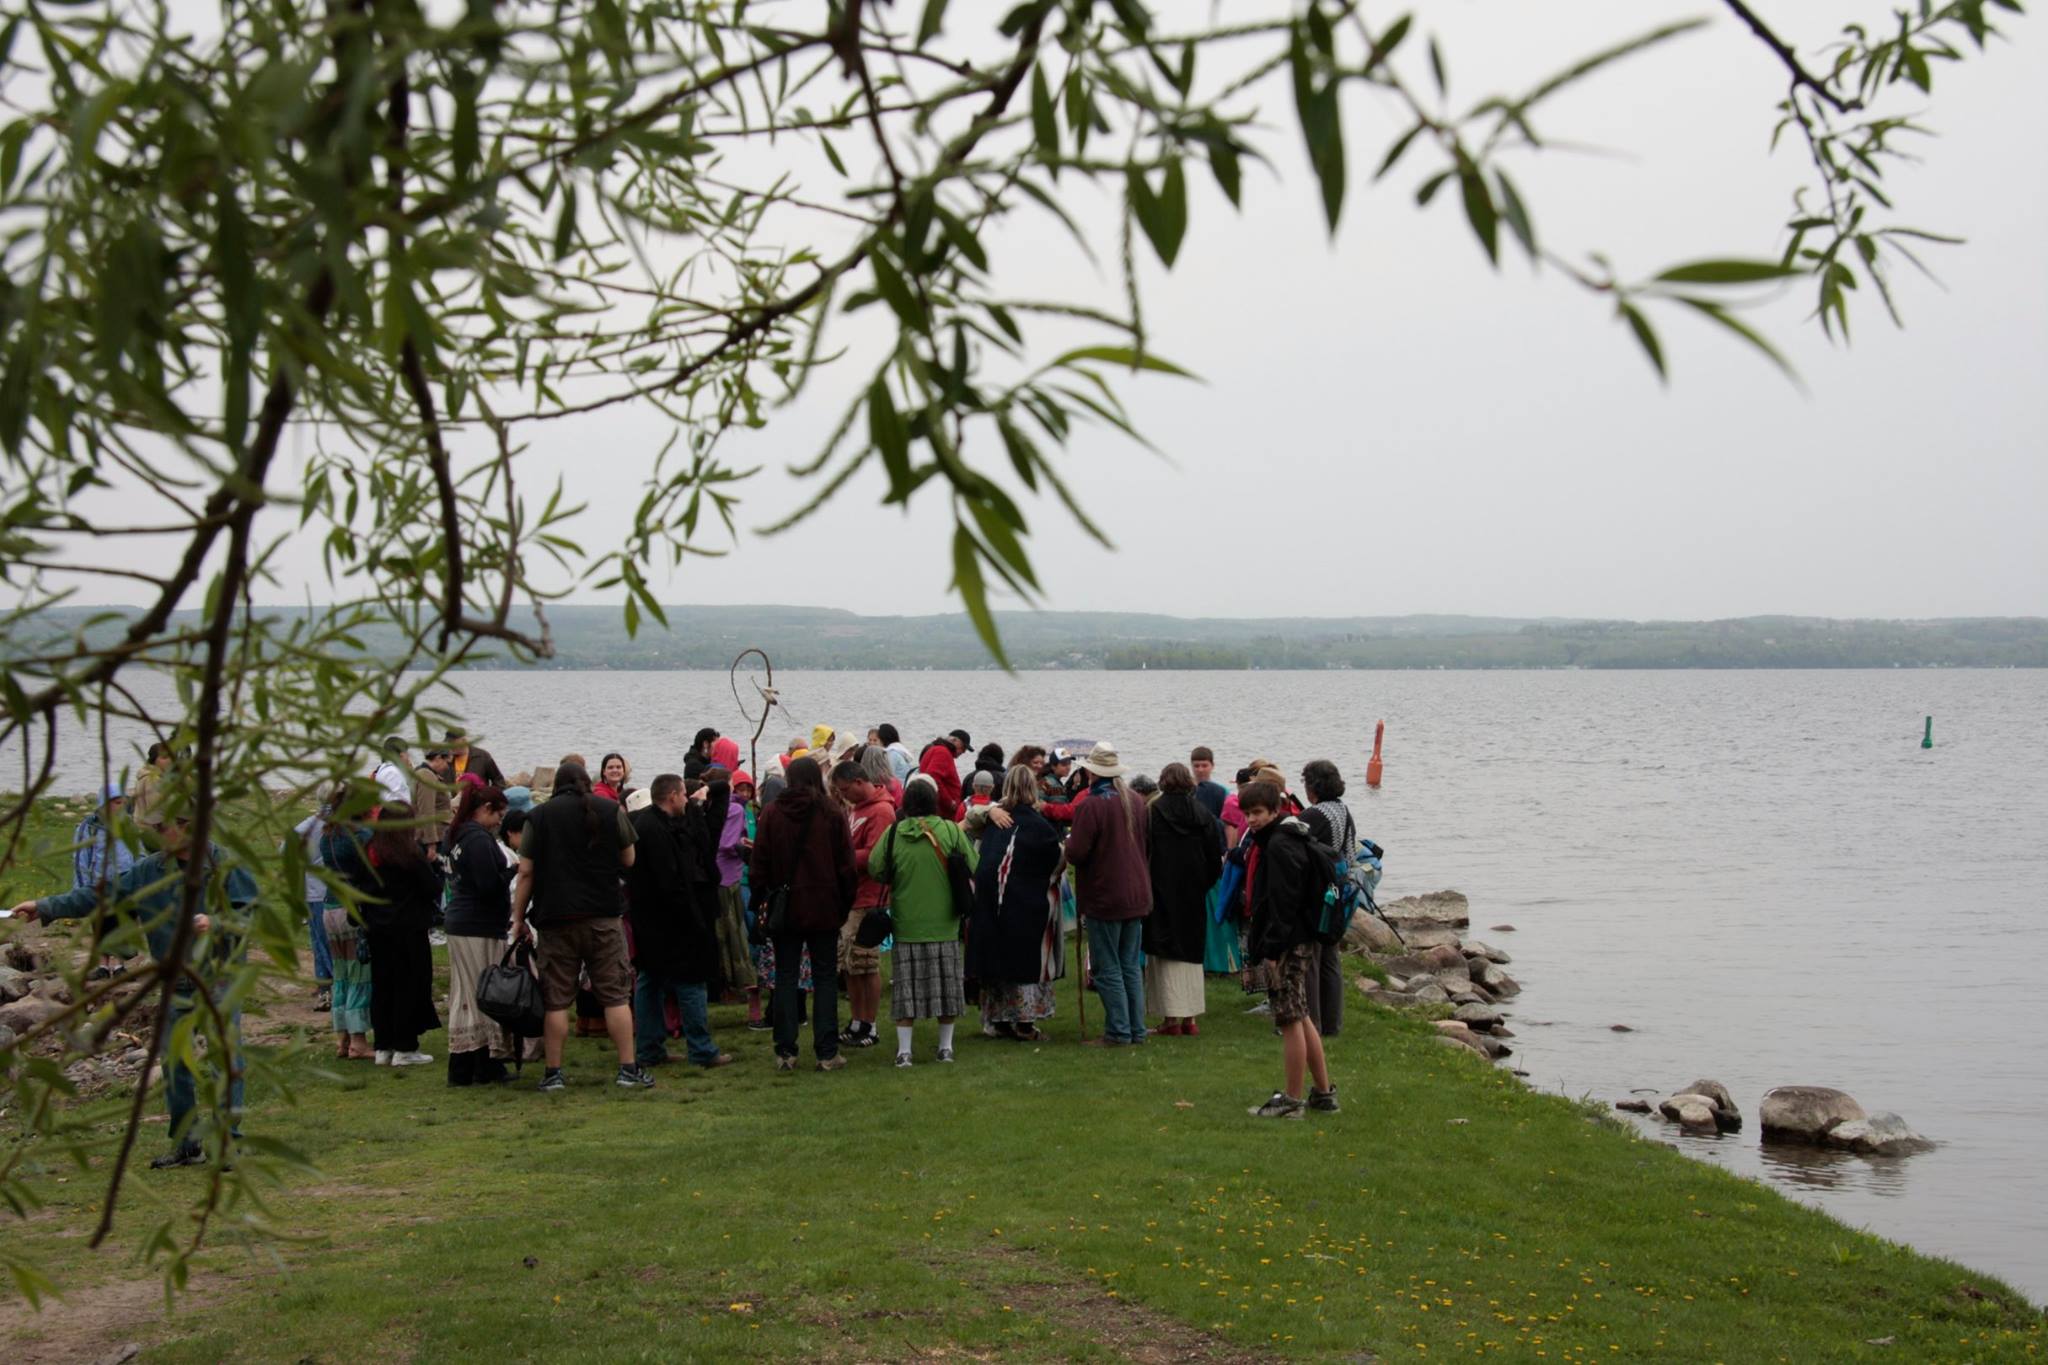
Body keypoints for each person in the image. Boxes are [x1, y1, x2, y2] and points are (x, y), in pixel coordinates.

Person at [12, 812, 258, 1168]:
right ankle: (187, 1145)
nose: (159, 834)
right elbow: (101, 895)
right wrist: (45, 906)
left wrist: (215, 922)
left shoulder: (224, 864)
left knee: (225, 1063)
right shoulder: (149, 870)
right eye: (155, 829)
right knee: (174, 1065)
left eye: (165, 827)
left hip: (219, 978)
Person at [510, 760, 651, 1092]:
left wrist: (518, 918)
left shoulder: (539, 817)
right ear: (587, 782)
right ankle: (628, 1069)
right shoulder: (608, 809)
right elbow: (629, 858)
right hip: (603, 915)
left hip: (555, 917)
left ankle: (554, 1073)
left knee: (556, 999)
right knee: (616, 995)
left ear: (556, 785)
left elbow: (526, 871)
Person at [749, 756, 855, 1071]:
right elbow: (847, 867)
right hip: (824, 906)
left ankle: (785, 1051)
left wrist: (762, 899)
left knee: (786, 978)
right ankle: (826, 1051)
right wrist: (842, 905)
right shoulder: (832, 813)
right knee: (824, 978)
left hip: (786, 907)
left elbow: (759, 864)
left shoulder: (772, 813)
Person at [1239, 781, 1338, 1119]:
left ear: (1274, 811)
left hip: (1290, 942)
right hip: (1302, 938)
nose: (1252, 820)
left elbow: (1284, 902)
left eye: (1258, 813)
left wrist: (1272, 948)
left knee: (1290, 1018)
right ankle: (1323, 1094)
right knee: (1301, 1013)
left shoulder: (1280, 846)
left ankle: (1292, 1101)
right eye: (1247, 813)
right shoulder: (1290, 836)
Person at [627, 772, 736, 1071]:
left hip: (649, 918)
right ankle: (701, 1049)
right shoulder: (656, 829)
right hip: (670, 918)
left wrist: (700, 797)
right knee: (690, 981)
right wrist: (691, 917)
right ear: (673, 796)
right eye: (684, 796)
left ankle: (650, 1048)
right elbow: (670, 879)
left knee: (651, 981)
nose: (687, 801)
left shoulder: (648, 823)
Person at [868, 776, 977, 1066]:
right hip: (945, 924)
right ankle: (945, 1047)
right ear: (933, 803)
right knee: (948, 990)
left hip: (906, 925)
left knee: (906, 991)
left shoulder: (893, 834)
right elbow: (973, 865)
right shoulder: (952, 831)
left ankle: (905, 1052)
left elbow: (876, 868)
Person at [1063, 742, 1152, 1046]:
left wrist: (1067, 844)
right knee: (1129, 964)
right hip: (1136, 891)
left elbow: (1076, 853)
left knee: (1107, 966)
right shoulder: (1136, 801)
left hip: (1106, 894)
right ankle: (1135, 1029)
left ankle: (1118, 1030)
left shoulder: (1092, 805)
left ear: (1091, 772)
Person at [969, 765, 1063, 1041]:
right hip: (1026, 904)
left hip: (991, 903)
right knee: (1025, 961)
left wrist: (988, 811)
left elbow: (967, 821)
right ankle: (1023, 1022)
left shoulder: (996, 822)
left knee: (998, 959)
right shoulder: (1040, 828)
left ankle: (998, 1020)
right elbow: (1056, 863)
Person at [443, 782, 521, 1085]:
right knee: (485, 993)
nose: (501, 821)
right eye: (499, 814)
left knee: (466, 995)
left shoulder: (458, 835)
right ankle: (485, 1063)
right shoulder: (477, 839)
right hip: (478, 925)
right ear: (485, 809)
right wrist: (514, 871)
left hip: (461, 922)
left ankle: (464, 1065)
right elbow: (489, 885)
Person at [1144, 763, 1225, 1036]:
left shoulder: (1154, 812)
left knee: (1165, 952)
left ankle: (1170, 1019)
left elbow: (1145, 851)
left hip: (1161, 889)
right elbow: (1216, 857)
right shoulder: (1202, 813)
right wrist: (1204, 883)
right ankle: (1189, 1018)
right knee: (1191, 953)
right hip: (1192, 891)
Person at [360, 804, 441, 1067]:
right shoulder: (409, 853)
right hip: (407, 928)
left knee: (383, 985)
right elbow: (430, 887)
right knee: (410, 984)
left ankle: (383, 1044)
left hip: (377, 927)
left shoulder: (370, 850)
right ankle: (405, 1046)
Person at [833, 760, 894, 1049]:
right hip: (851, 895)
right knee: (850, 965)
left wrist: (841, 857)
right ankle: (857, 1020)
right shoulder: (855, 810)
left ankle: (869, 1024)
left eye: (846, 789)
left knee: (866, 963)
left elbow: (875, 856)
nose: (844, 795)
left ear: (859, 782)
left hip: (869, 897)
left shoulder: (881, 811)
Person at [1297, 759, 1359, 1040]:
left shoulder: (1313, 815)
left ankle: (1312, 1023)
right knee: (1331, 959)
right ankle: (1332, 1024)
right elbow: (1349, 854)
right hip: (1341, 892)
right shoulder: (1344, 811)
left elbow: (1299, 855)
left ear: (1313, 786)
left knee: (1311, 960)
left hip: (1318, 894)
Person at [318, 798, 376, 1061]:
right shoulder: (361, 835)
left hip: (329, 906)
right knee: (359, 973)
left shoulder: (327, 836)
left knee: (340, 973)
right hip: (352, 907)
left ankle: (341, 1038)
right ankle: (358, 1041)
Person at [74, 782, 137, 982]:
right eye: (117, 802)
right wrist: (83, 886)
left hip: (124, 882)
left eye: (123, 802)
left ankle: (118, 965)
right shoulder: (89, 827)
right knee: (100, 923)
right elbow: (80, 856)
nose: (122, 806)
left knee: (122, 923)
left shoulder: (128, 825)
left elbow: (138, 850)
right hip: (98, 884)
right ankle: (102, 964)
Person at [411, 749, 455, 857]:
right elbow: (426, 810)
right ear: (438, 758)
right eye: (447, 762)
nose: (448, 767)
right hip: (436, 838)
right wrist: (431, 843)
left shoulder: (425, 774)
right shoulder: (427, 775)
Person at [918, 732, 966, 820]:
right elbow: (932, 777)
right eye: (963, 748)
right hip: (941, 814)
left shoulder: (937, 750)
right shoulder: (942, 752)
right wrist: (949, 802)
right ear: (954, 740)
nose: (963, 752)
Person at [129, 740, 174, 827]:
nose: (169, 761)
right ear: (154, 760)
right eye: (164, 758)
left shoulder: (148, 776)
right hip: (151, 830)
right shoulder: (152, 779)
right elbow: (157, 810)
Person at [371, 737, 412, 808]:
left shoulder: (385, 769)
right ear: (401, 754)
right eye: (407, 753)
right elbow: (395, 802)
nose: (408, 757)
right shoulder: (393, 772)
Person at [1189, 747, 1228, 819]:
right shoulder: (1185, 789)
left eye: (1204, 766)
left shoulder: (1222, 791)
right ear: (1191, 766)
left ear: (1212, 765)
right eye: (1196, 766)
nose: (1200, 770)